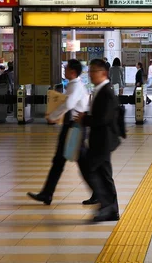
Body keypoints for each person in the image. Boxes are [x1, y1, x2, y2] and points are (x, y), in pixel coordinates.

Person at [27, 59, 89, 206]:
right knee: (60, 161)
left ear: (72, 72)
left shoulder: (76, 86)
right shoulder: (73, 85)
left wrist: (53, 117)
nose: (64, 71)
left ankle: (99, 193)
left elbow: (68, 104)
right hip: (71, 127)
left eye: (66, 69)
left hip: (75, 128)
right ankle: (47, 193)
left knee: (82, 163)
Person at [78, 59, 122, 222]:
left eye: (93, 71)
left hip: (104, 140)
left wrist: (85, 119)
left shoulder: (106, 92)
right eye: (89, 71)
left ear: (103, 73)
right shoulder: (99, 90)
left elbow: (103, 118)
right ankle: (109, 208)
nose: (90, 74)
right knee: (102, 173)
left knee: (93, 169)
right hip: (100, 139)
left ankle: (108, 207)